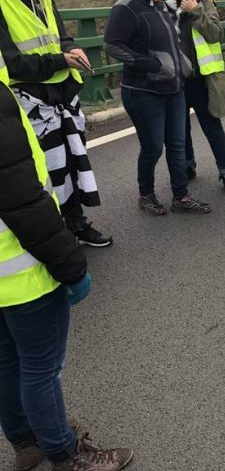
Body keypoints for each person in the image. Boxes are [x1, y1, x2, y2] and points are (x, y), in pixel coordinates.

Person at [0, 52, 133, 471]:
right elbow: (22, 200)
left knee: (6, 363)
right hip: (21, 268)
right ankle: (65, 452)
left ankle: (26, 442)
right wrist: (70, 266)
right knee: (40, 368)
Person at [0, 0, 111, 247]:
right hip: (29, 101)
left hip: (62, 95)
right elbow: (12, 63)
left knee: (71, 163)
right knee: (45, 170)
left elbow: (61, 36)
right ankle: (53, 233)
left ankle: (76, 224)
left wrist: (71, 49)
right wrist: (59, 60)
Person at [104, 0, 212, 215]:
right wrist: (145, 63)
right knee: (153, 147)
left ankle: (181, 196)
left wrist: (181, 63)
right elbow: (111, 45)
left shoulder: (161, 4)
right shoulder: (127, 7)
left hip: (173, 89)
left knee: (177, 145)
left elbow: (171, 41)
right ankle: (146, 194)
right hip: (143, 91)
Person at [162, 0, 225, 196]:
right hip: (174, 79)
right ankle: (187, 166)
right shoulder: (160, 4)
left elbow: (216, 33)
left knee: (211, 126)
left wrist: (195, 11)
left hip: (201, 79)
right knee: (179, 129)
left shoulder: (202, 0)